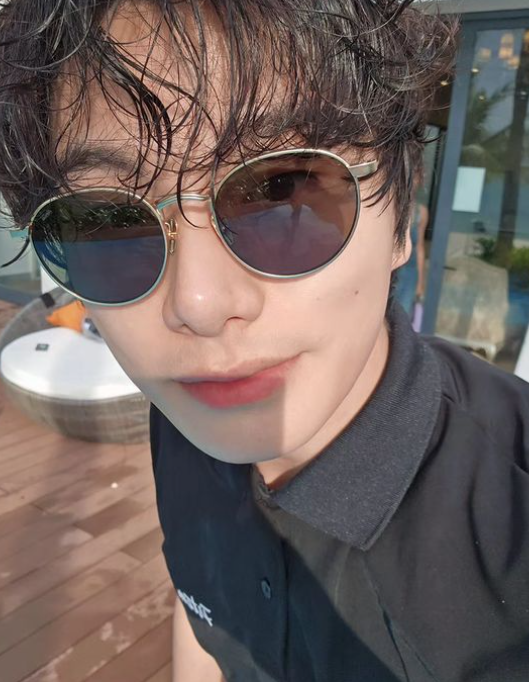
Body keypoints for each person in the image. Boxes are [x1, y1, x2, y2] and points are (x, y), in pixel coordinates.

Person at [0, 2, 528, 681]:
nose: (198, 305)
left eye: (282, 189)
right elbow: (203, 611)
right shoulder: (185, 420)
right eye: (106, 219)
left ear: (404, 220)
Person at [395, 195, 429, 318]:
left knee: (403, 314)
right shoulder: (393, 205)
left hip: (409, 271)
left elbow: (419, 247)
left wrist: (420, 283)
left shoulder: (421, 212)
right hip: (391, 268)